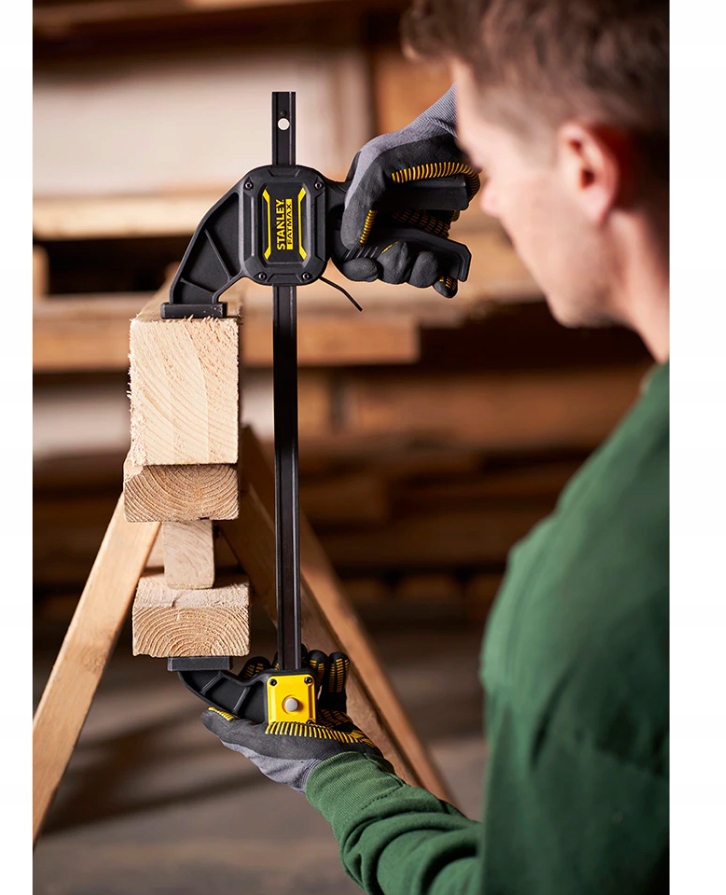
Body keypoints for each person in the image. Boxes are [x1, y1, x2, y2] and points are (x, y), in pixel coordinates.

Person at [202, 1, 669, 892]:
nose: (487, 198)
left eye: (488, 166)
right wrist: (459, 122)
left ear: (587, 166)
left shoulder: (597, 609)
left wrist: (346, 781)